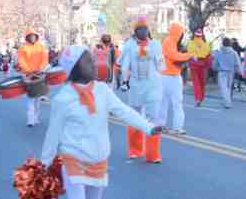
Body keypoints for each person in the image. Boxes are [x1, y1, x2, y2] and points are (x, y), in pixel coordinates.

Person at [41, 45, 163, 199]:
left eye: (92, 59)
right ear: (74, 68)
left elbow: (123, 111)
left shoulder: (102, 90)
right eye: (87, 61)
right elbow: (53, 134)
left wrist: (148, 127)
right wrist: (43, 166)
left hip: (99, 162)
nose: (94, 63)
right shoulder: (63, 99)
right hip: (74, 161)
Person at [119, 15, 165, 163]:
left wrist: (157, 58)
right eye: (139, 29)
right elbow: (125, 65)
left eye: (145, 28)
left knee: (153, 118)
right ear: (135, 31)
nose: (143, 31)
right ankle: (135, 150)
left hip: (152, 87)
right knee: (134, 117)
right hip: (136, 87)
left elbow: (161, 67)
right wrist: (124, 82)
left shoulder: (156, 45)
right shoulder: (129, 45)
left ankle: (153, 154)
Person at [160, 22, 193, 135]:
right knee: (164, 102)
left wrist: (185, 56)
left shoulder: (174, 43)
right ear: (178, 33)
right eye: (181, 33)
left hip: (174, 76)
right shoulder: (168, 41)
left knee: (176, 103)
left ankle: (177, 127)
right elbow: (174, 56)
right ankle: (162, 125)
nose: (182, 35)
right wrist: (188, 55)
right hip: (166, 76)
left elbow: (177, 58)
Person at [18, 30, 49, 127]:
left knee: (38, 98)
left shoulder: (41, 47)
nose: (32, 38)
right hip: (29, 75)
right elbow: (21, 60)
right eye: (30, 36)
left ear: (36, 36)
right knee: (31, 98)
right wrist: (28, 71)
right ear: (27, 37)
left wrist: (40, 69)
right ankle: (30, 120)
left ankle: (36, 118)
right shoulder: (23, 48)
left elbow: (45, 59)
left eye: (34, 36)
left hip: (39, 74)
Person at [212, 37, 242, 109]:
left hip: (222, 72)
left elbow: (215, 63)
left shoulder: (219, 52)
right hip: (231, 72)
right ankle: (227, 102)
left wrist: (215, 68)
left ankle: (227, 103)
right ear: (230, 44)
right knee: (228, 88)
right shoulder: (234, 52)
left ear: (223, 43)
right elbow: (237, 63)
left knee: (223, 88)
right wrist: (239, 71)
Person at [187, 29, 211, 107]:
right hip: (203, 65)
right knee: (202, 83)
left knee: (196, 83)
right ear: (201, 36)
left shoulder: (190, 44)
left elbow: (189, 54)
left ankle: (197, 98)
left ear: (194, 35)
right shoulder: (206, 45)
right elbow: (208, 56)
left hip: (194, 65)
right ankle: (201, 98)